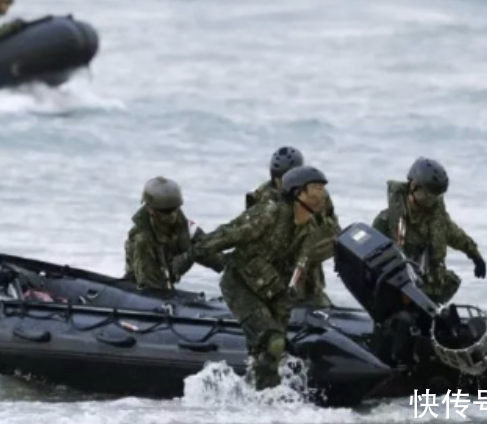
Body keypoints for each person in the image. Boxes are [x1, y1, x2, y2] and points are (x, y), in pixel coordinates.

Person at [180, 166, 335, 390]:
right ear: (298, 192)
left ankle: (258, 394)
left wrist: (286, 302)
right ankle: (262, 396)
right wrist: (190, 255)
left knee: (274, 352)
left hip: (272, 289)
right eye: (317, 188)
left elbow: (299, 268)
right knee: (273, 342)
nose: (323, 194)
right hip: (239, 283)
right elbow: (228, 234)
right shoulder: (269, 212)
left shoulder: (309, 228)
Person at [371, 157, 486, 306]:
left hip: (425, 287)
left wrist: (475, 256)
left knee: (449, 281)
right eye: (428, 195)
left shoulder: (437, 219)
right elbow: (371, 253)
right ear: (413, 186)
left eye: (436, 196)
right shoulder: (386, 220)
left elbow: (456, 235)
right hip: (396, 286)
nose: (431, 201)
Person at [245, 146, 340, 307]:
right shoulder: (262, 197)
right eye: (279, 179)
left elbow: (333, 229)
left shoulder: (315, 195)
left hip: (307, 269)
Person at [123, 176, 225, 290]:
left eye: (175, 208)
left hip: (166, 283)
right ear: (150, 209)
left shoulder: (187, 228)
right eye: (166, 211)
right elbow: (152, 287)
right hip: (143, 287)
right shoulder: (141, 238)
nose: (173, 215)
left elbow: (218, 259)